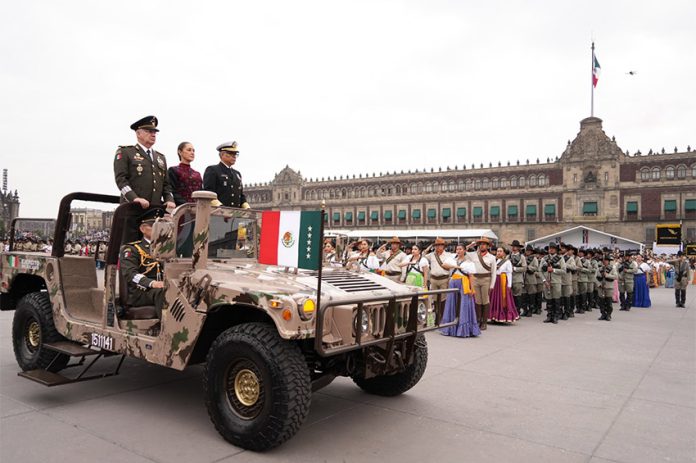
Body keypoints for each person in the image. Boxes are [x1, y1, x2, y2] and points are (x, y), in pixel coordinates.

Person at [114, 115, 175, 209]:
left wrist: (169, 199)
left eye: (154, 132)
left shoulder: (160, 158)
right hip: (132, 208)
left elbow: (166, 185)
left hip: (154, 209)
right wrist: (134, 198)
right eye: (149, 131)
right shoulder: (126, 152)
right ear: (138, 134)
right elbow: (121, 181)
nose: (153, 134)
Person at [119, 208, 167, 317]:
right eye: (155, 226)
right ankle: (168, 328)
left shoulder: (166, 248)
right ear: (143, 229)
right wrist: (152, 283)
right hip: (142, 292)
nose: (159, 230)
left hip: (161, 287)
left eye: (161, 227)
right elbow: (130, 274)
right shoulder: (132, 249)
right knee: (162, 292)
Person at [440, 244, 480, 338]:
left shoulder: (469, 262)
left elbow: (471, 276)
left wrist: (472, 289)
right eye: (457, 249)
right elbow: (444, 264)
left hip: (464, 282)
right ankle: (449, 327)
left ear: (464, 250)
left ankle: (464, 329)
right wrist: (457, 267)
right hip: (453, 281)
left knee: (464, 304)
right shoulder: (452, 259)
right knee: (451, 303)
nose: (458, 251)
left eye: (460, 249)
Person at [203, 141, 249, 208]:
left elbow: (240, 196)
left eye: (235, 154)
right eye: (231, 153)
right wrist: (220, 207)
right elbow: (209, 192)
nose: (234, 156)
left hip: (236, 214)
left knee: (267, 216)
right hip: (218, 213)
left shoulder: (237, 174)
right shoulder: (213, 170)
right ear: (222, 155)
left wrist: (247, 208)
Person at [465, 237, 496, 331]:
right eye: (480, 244)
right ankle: (478, 320)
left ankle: (484, 322)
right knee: (478, 301)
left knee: (485, 301)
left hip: (486, 279)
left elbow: (494, 272)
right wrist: (471, 245)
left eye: (484, 244)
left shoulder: (492, 257)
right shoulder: (474, 255)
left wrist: (492, 285)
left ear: (487, 246)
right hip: (475, 279)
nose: (482, 245)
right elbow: (464, 252)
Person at [489, 247, 519, 323]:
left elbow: (509, 273)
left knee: (502, 298)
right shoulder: (494, 261)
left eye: (500, 251)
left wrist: (509, 285)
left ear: (504, 253)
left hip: (502, 281)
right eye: (498, 251)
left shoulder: (507, 262)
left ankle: (503, 316)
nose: (498, 253)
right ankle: (493, 316)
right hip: (494, 280)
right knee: (493, 298)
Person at [168, 142, 203, 206]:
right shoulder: (173, 170)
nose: (192, 153)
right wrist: (186, 204)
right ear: (180, 152)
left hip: (198, 209)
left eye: (193, 151)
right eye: (189, 150)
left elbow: (201, 192)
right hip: (181, 209)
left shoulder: (197, 174)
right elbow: (172, 191)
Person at [540, 242, 565, 324]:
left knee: (556, 300)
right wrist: (544, 280)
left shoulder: (560, 259)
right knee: (549, 300)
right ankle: (549, 316)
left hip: (556, 282)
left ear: (556, 250)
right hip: (547, 282)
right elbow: (540, 271)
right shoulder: (544, 259)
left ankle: (555, 316)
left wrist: (553, 270)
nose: (551, 249)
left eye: (553, 248)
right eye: (550, 248)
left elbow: (564, 271)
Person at [509, 240, 528, 316]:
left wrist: (515, 269)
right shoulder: (509, 256)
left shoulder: (522, 257)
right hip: (510, 278)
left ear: (518, 248)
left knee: (518, 296)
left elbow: (524, 268)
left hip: (518, 278)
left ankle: (517, 311)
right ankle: (512, 310)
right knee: (511, 295)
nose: (514, 248)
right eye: (513, 246)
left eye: (515, 246)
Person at [597, 254, 618, 321]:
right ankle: (603, 314)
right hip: (601, 287)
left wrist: (607, 275)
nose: (605, 261)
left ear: (609, 261)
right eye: (604, 260)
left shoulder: (612, 268)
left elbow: (615, 276)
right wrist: (599, 284)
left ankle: (608, 315)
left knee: (609, 302)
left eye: (606, 260)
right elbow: (595, 278)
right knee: (601, 302)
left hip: (609, 287)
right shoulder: (599, 268)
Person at [523, 245, 539, 316]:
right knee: (524, 296)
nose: (527, 252)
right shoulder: (523, 258)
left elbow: (536, 268)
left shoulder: (534, 259)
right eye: (527, 251)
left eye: (529, 251)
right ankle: (525, 310)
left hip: (531, 279)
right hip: (524, 279)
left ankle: (530, 310)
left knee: (531, 296)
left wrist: (528, 267)